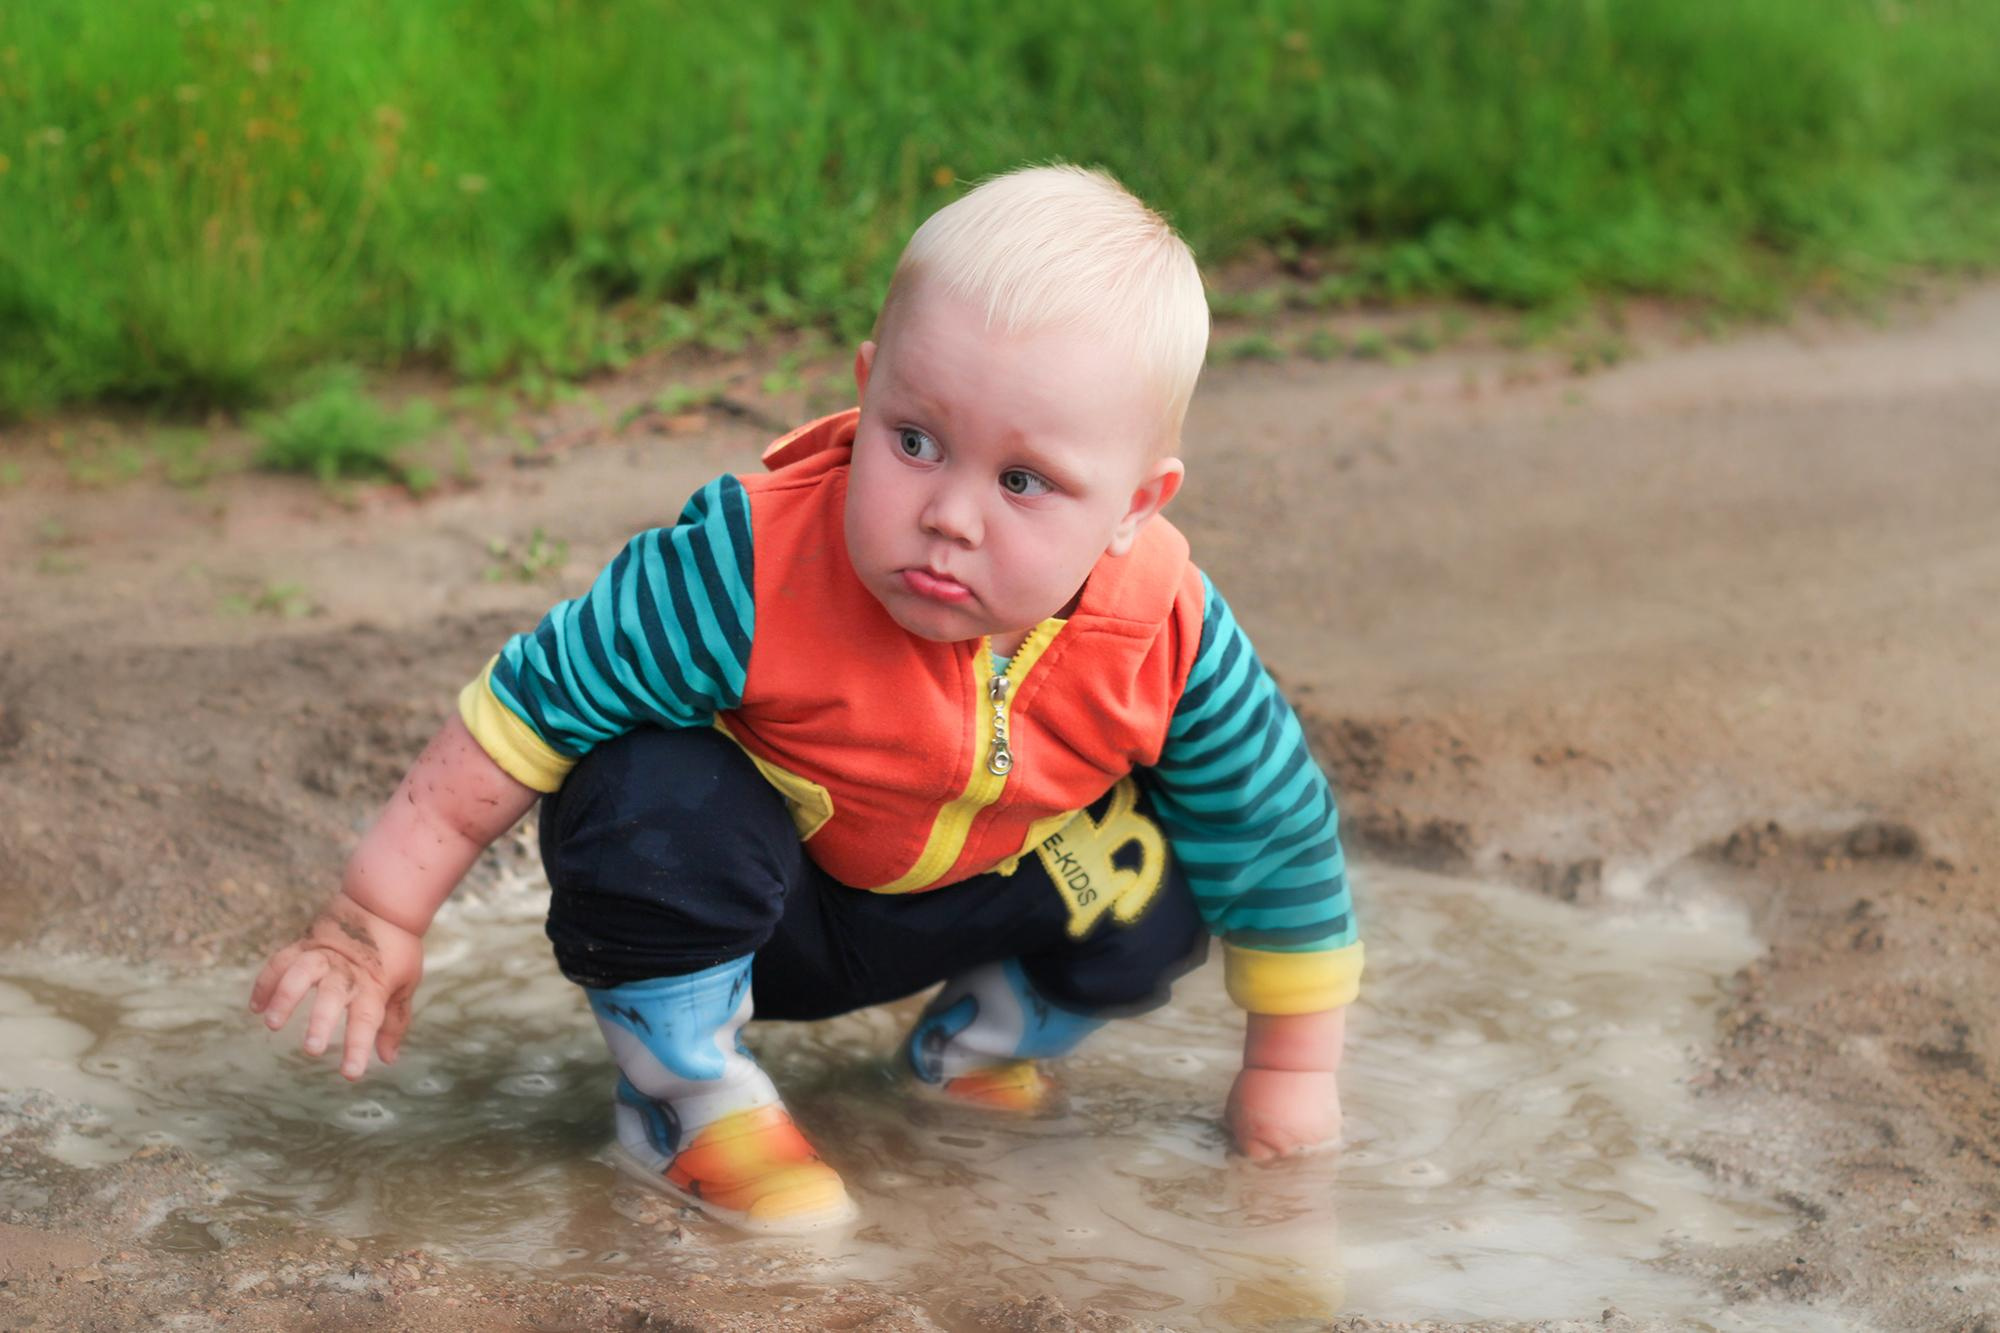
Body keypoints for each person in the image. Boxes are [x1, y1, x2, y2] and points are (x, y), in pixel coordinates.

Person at [249, 163, 1363, 1235]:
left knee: (1167, 865)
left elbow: (1274, 839)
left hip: (978, 894)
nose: (951, 515)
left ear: (1133, 506)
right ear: (866, 387)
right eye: (913, 440)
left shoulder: (1164, 631)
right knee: (640, 785)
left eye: (1022, 480)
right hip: (760, 912)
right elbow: (526, 710)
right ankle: (687, 1106)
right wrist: (373, 918)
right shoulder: (746, 565)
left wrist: (1289, 1070)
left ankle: (975, 1050)